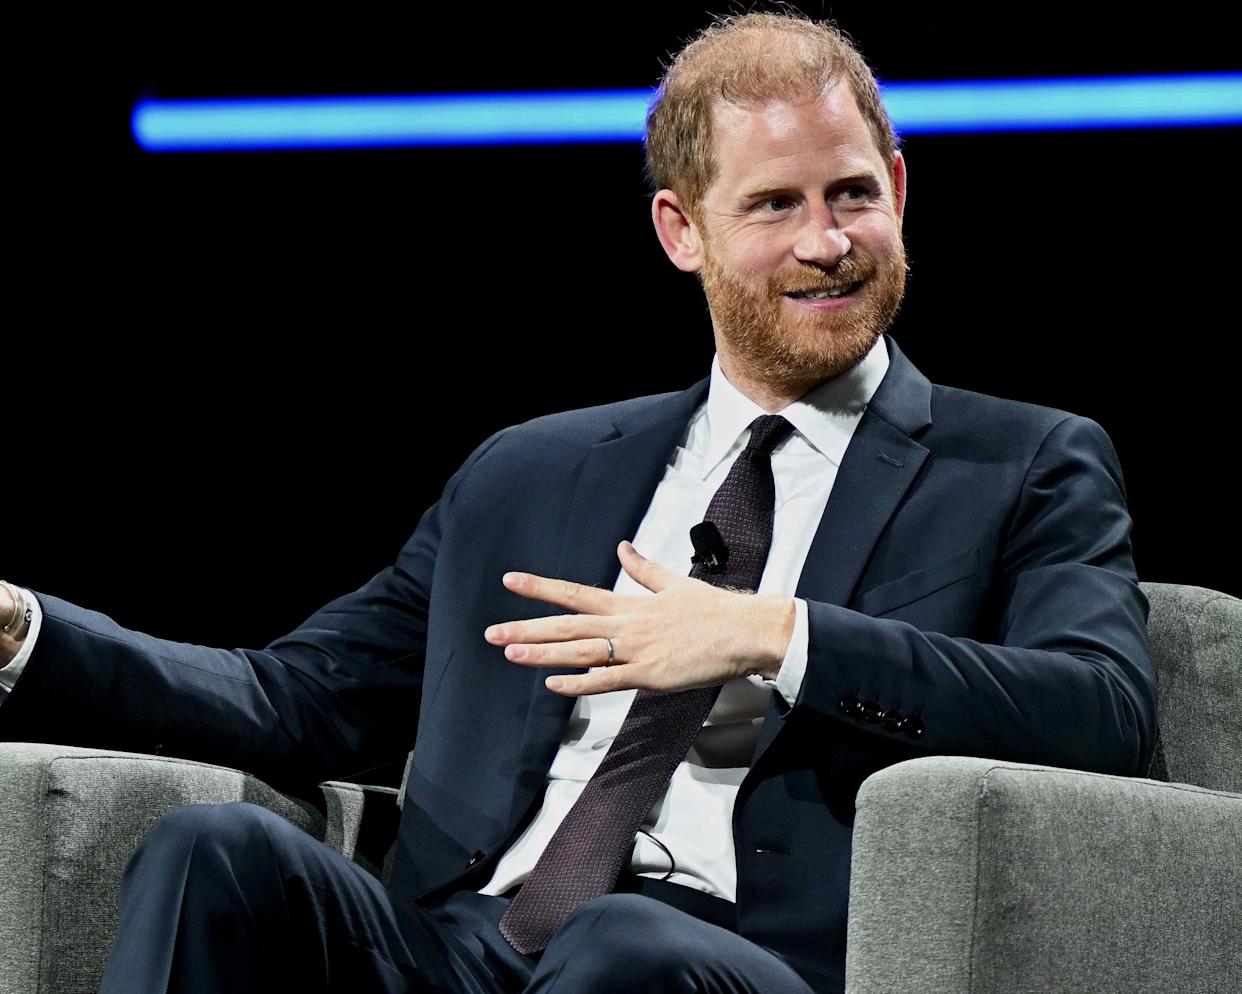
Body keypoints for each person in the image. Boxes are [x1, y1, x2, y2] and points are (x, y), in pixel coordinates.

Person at [0, 10, 1156, 994]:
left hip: (740, 955)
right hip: (470, 946)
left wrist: (774, 634)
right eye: (774, 207)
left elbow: (1102, 710)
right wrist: (25, 634)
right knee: (215, 851)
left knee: (616, 945)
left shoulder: (1020, 461)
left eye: (854, 193)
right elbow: (296, 696)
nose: (828, 242)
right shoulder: (530, 471)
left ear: (899, 189)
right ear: (681, 230)